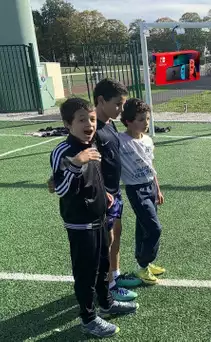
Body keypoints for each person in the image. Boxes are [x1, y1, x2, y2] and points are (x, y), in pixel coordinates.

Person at [50, 98, 138, 338]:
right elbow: (61, 189)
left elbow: (92, 179)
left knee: (102, 266)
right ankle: (88, 319)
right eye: (81, 120)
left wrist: (105, 195)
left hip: (99, 216)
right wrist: (77, 163)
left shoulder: (91, 145)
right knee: (86, 273)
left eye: (91, 119)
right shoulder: (64, 151)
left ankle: (106, 303)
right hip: (80, 223)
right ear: (68, 124)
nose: (89, 124)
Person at [118, 98, 166, 285]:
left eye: (147, 119)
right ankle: (143, 265)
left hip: (151, 188)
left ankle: (144, 264)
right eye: (140, 119)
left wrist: (158, 189)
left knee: (143, 227)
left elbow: (150, 165)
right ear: (128, 121)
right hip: (136, 190)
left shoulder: (147, 140)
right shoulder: (121, 141)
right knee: (154, 228)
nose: (145, 123)